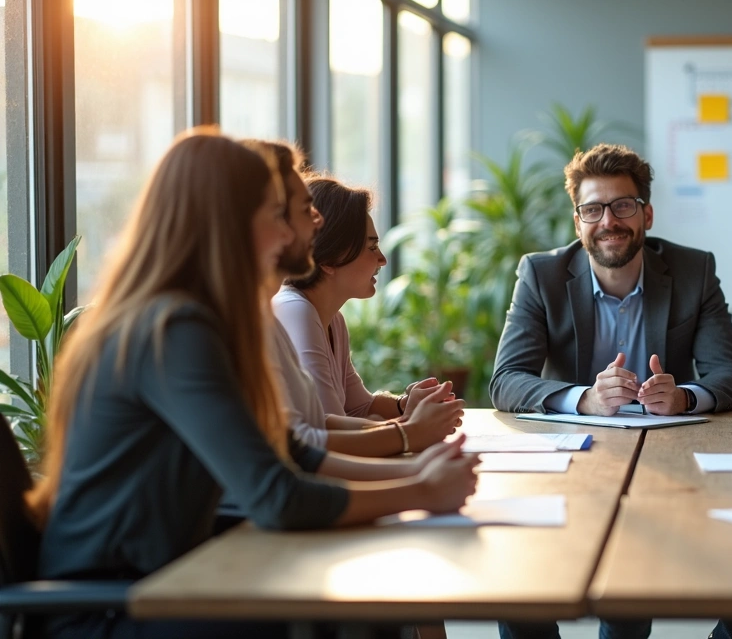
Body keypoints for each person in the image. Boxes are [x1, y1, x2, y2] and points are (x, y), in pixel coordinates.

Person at [29, 130, 480, 639]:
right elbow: (277, 495)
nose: (297, 229)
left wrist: (419, 470)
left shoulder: (206, 320)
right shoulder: (172, 329)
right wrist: (418, 489)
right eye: (277, 213)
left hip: (167, 580)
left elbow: (289, 451)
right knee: (355, 604)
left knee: (367, 593)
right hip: (111, 608)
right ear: (230, 224)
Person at [489, 143, 732, 418]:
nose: (608, 221)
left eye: (623, 206)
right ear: (578, 224)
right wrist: (585, 400)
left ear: (647, 216)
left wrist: (683, 398)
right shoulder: (541, 276)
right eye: (592, 210)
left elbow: (731, 375)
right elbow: (506, 380)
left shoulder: (694, 272)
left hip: (669, 441)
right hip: (573, 441)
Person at [249, 141, 460, 459]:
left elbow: (353, 410)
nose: (383, 260)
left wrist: (405, 407)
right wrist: (410, 433)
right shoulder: (293, 310)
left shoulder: (330, 317)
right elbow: (325, 435)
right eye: (371, 246)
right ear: (330, 257)